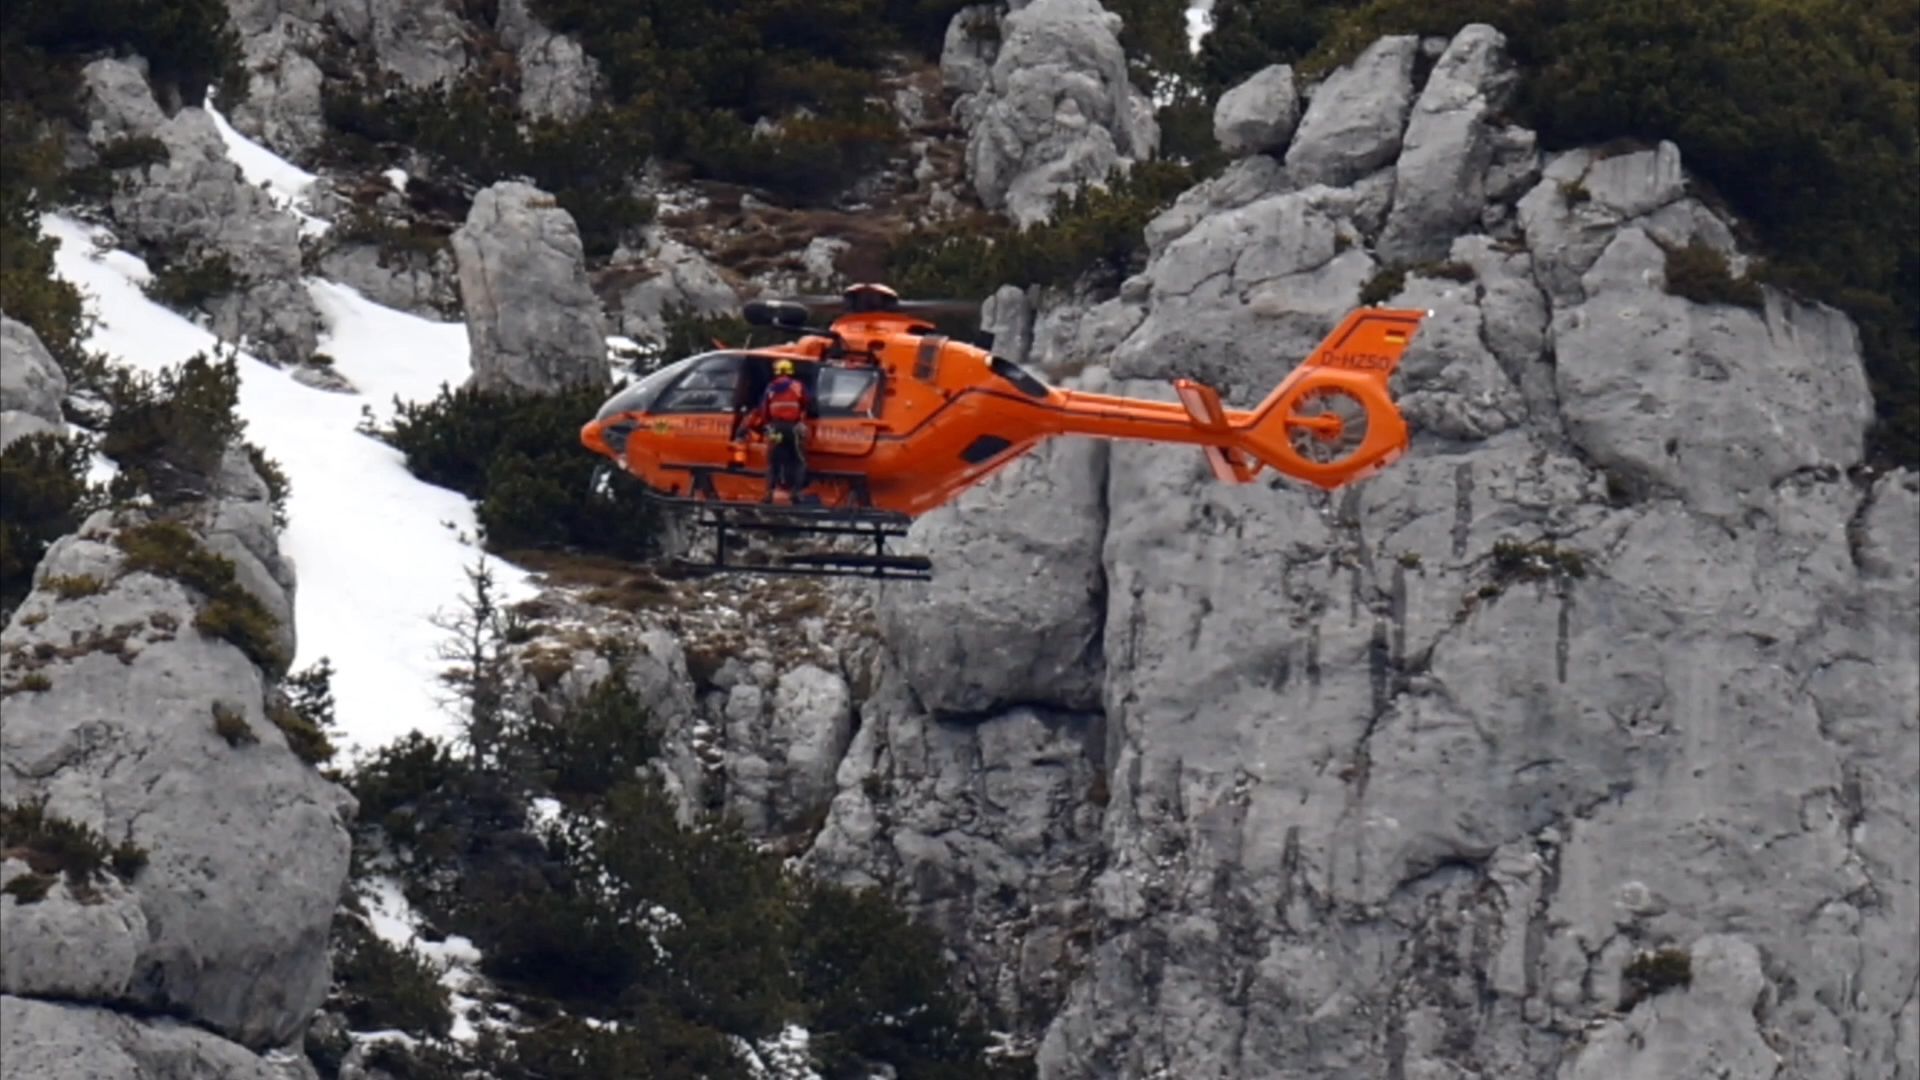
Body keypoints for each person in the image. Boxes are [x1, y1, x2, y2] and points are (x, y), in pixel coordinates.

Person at [743, 359, 812, 502]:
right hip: (793, 428)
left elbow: (764, 409)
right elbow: (806, 403)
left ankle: (768, 493)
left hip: (775, 428)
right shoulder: (797, 386)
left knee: (773, 461)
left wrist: (767, 425)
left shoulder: (771, 388)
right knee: (799, 460)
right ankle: (796, 492)